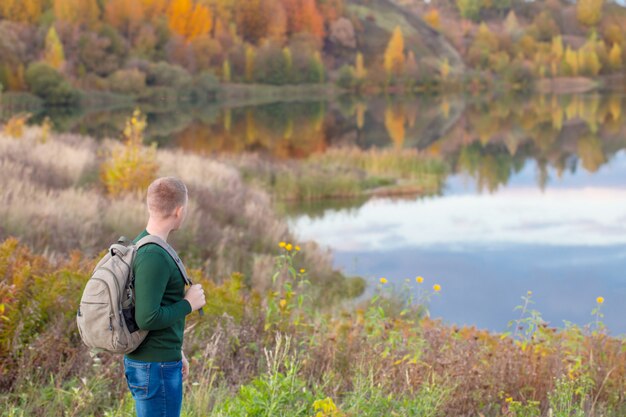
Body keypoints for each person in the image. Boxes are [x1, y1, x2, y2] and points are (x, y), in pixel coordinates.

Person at [123, 176, 206, 417]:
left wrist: (177, 351)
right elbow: (147, 318)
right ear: (179, 211)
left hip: (158, 361)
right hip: (155, 367)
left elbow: (155, 304)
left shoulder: (144, 244)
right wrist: (188, 304)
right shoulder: (153, 255)